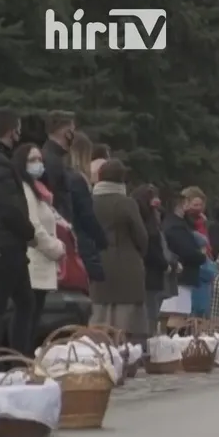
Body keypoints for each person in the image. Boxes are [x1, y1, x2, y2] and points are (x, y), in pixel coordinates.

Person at [0, 110, 37, 354]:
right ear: (12, 131)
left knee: (24, 302)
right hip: (6, 246)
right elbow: (9, 209)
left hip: (1, 243)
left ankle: (14, 358)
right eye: (18, 129)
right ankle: (2, 360)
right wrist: (29, 232)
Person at [89, 159, 149, 339]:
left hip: (97, 262)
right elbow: (141, 236)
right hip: (126, 264)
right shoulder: (126, 203)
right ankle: (122, 349)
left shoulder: (90, 201)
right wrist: (139, 253)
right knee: (125, 320)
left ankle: (99, 348)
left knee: (99, 315)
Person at [12, 144, 65, 340]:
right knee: (27, 319)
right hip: (34, 263)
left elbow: (52, 219)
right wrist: (55, 248)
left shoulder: (39, 191)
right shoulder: (26, 190)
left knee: (32, 320)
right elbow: (34, 226)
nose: (38, 164)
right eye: (32, 160)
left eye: (40, 159)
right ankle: (20, 356)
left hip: (41, 263)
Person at [160, 188, 210, 324]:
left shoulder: (174, 223)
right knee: (177, 314)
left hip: (179, 277)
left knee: (174, 314)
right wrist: (201, 256)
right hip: (181, 278)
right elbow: (187, 251)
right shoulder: (176, 227)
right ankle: (174, 336)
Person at [65, 131, 108, 282]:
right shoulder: (78, 180)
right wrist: (101, 239)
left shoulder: (57, 174)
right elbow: (87, 216)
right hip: (82, 246)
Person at [131, 185, 170, 331]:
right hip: (151, 272)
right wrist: (165, 264)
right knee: (150, 310)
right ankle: (148, 336)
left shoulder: (145, 220)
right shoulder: (148, 225)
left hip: (146, 271)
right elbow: (152, 249)